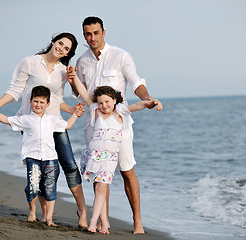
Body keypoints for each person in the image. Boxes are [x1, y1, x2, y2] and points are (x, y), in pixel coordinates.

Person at [0, 32, 88, 229]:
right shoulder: (29, 62)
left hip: (54, 122)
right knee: (39, 166)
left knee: (69, 164)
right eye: (61, 43)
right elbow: (14, 90)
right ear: (54, 41)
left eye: (67, 49)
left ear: (68, 53)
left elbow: (57, 100)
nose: (62, 49)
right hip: (31, 123)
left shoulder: (64, 70)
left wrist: (73, 109)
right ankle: (46, 214)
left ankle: (82, 211)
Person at [66, 16, 163, 234]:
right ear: (84, 36)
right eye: (88, 34)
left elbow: (136, 82)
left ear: (104, 32)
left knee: (127, 171)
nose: (92, 38)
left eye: (96, 33)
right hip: (93, 126)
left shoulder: (121, 56)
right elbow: (78, 92)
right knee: (98, 174)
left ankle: (137, 221)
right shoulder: (82, 61)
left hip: (120, 126)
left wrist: (147, 99)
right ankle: (103, 220)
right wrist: (72, 80)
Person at [67, 79, 162, 233]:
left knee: (100, 188)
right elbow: (84, 93)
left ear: (115, 100)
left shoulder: (120, 112)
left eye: (107, 101)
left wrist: (153, 101)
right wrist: (75, 77)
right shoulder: (96, 111)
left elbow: (138, 105)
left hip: (109, 160)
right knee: (100, 189)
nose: (104, 105)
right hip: (94, 157)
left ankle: (93, 222)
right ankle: (104, 225)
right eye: (101, 102)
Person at [0, 86, 83, 226]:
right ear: (30, 101)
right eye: (36, 101)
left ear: (48, 104)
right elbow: (6, 120)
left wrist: (76, 114)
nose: (38, 105)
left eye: (42, 102)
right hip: (33, 158)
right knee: (33, 187)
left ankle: (49, 218)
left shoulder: (52, 120)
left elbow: (67, 126)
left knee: (50, 188)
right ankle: (32, 210)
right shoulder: (25, 119)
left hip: (51, 159)